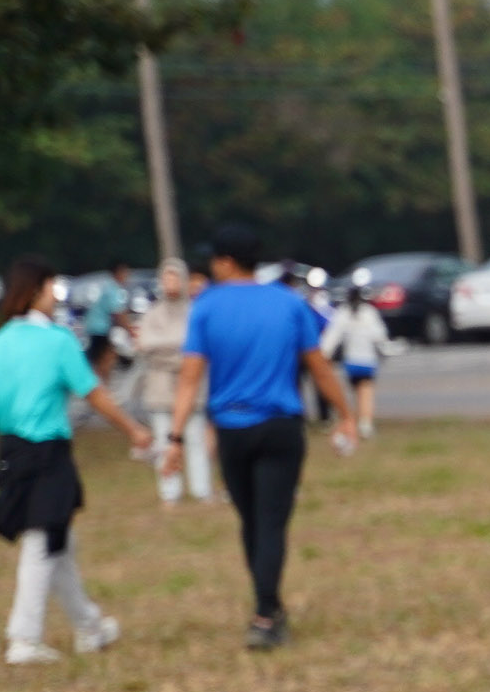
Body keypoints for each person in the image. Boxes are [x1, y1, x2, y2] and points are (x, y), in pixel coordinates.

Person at [0, 258, 154, 663]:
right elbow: (94, 394)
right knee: (42, 543)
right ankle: (24, 638)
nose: (56, 295)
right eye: (52, 287)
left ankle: (89, 626)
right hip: (47, 454)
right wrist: (133, 429)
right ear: (35, 290)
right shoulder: (57, 341)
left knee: (60, 542)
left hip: (11, 453)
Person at [164, 222, 358, 650]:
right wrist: (347, 414)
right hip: (280, 428)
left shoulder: (207, 307)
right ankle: (267, 611)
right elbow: (319, 367)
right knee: (271, 522)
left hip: (232, 430)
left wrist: (175, 437)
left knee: (251, 521)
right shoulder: (288, 302)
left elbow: (190, 378)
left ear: (225, 262)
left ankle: (266, 609)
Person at [132, 259, 212, 504]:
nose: (171, 283)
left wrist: (170, 349)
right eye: (167, 278)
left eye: (175, 277)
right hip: (161, 386)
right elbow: (145, 344)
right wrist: (179, 350)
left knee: (196, 438)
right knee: (163, 440)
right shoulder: (153, 314)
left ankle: (202, 489)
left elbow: (199, 346)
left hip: (192, 383)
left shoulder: (195, 312)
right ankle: (170, 491)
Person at [320, 283, 392, 441]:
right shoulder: (369, 313)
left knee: (356, 392)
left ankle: (357, 420)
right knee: (366, 391)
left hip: (351, 362)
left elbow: (333, 336)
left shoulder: (343, 313)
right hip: (367, 361)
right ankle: (365, 424)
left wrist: (324, 354)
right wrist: (385, 351)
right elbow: (379, 336)